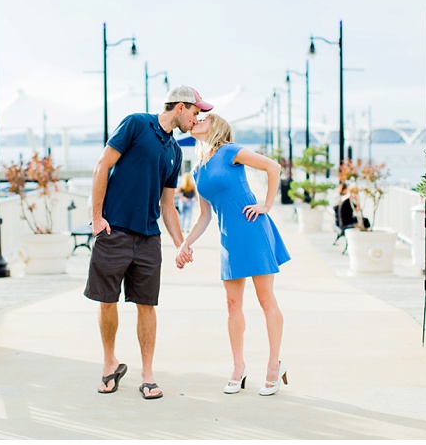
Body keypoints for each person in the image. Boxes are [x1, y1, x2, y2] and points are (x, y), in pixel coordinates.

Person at [84, 85, 213, 400]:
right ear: (180, 106)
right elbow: (103, 165)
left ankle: (147, 374)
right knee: (107, 299)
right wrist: (98, 217)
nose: (197, 119)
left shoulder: (175, 151)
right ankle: (109, 363)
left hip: (148, 237)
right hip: (114, 230)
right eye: (195, 112)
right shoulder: (136, 124)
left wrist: (181, 243)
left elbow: (167, 205)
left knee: (147, 304)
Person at [176, 113, 291, 396]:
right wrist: (185, 242)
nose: (197, 120)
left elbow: (273, 167)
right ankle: (238, 368)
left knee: (265, 300)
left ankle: (274, 365)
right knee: (232, 304)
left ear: (216, 127)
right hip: (228, 238)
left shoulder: (230, 151)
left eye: (204, 119)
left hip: (253, 229)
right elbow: (204, 215)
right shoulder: (197, 170)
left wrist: (266, 205)